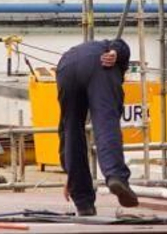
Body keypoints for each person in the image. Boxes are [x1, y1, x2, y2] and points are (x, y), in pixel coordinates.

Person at [56, 38, 140, 216]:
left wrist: (70, 172)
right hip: (99, 64)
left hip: (65, 66)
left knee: (70, 130)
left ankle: (83, 202)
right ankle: (115, 176)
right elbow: (120, 45)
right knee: (105, 123)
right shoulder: (113, 60)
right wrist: (115, 53)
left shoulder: (86, 48)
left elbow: (65, 134)